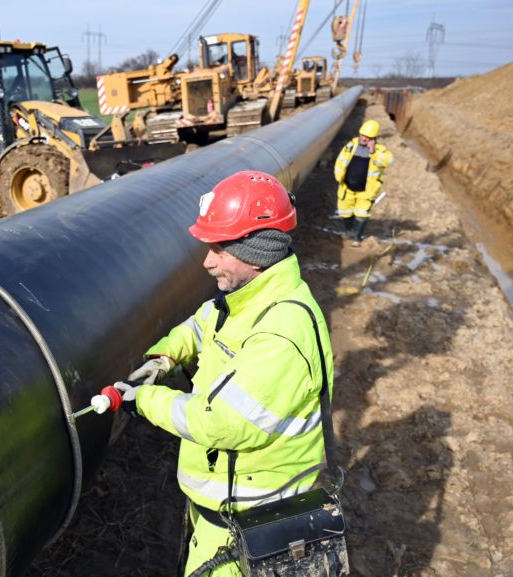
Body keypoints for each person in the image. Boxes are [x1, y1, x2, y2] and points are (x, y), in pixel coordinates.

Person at [93, 171, 334, 576]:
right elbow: (203, 325)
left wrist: (144, 400)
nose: (207, 261)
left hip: (252, 531)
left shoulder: (282, 335)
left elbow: (220, 422)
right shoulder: (245, 300)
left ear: (257, 250)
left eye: (219, 248)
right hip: (222, 512)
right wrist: (164, 357)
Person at [334, 119, 394, 247]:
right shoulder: (351, 146)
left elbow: (389, 161)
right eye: (362, 135)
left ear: (374, 138)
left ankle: (357, 237)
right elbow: (340, 160)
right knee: (345, 211)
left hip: (365, 191)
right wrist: (339, 177)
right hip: (347, 188)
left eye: (368, 137)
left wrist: (373, 152)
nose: (364, 139)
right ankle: (349, 231)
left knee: (361, 214)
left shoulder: (379, 150)